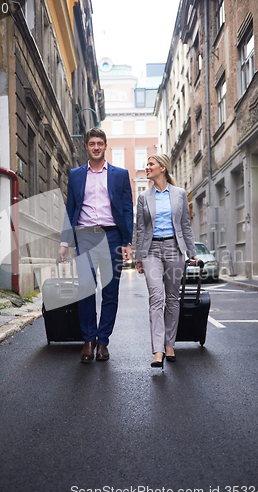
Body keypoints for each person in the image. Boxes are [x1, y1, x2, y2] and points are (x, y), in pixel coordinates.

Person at [58, 127, 133, 363]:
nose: (96, 147)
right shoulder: (76, 175)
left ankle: (103, 342)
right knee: (86, 289)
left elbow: (127, 209)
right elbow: (70, 209)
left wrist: (127, 241)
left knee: (110, 292)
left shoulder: (120, 175)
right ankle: (88, 340)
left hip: (112, 236)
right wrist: (64, 242)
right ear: (87, 147)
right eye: (92, 143)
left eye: (100, 143)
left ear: (105, 145)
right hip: (85, 236)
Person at [136, 154, 198, 369]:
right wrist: (139, 257)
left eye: (151, 164)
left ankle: (170, 344)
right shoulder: (144, 197)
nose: (147, 167)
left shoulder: (179, 194)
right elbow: (141, 229)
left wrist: (192, 252)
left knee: (172, 298)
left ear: (162, 168)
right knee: (156, 297)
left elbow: (185, 226)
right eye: (147, 164)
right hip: (151, 250)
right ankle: (158, 350)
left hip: (174, 249)